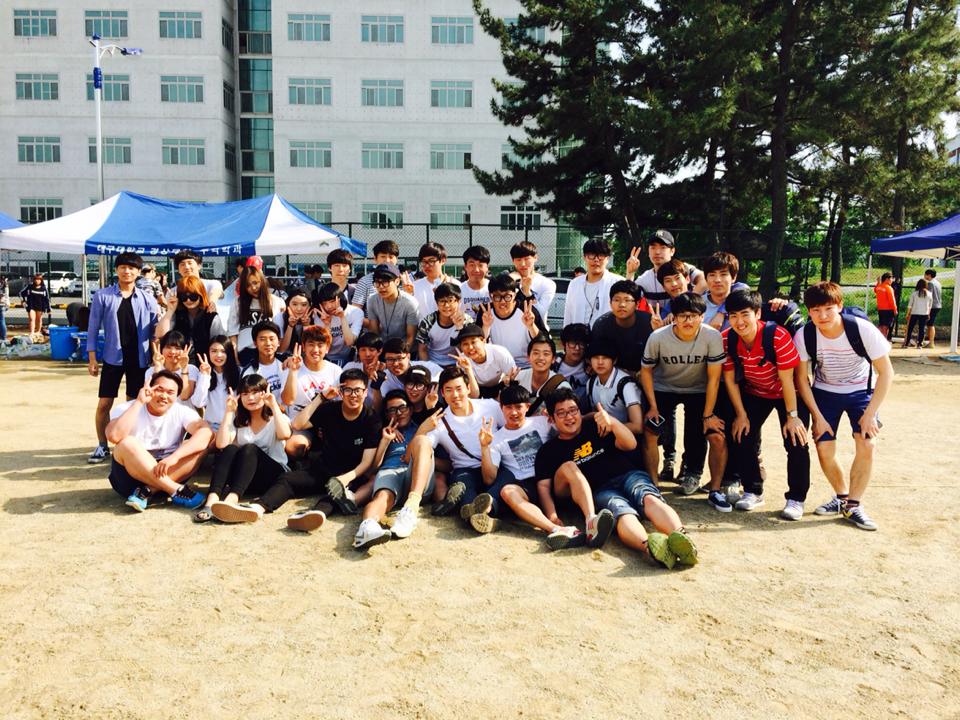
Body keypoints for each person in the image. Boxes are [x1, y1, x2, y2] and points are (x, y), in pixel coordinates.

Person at [539, 389, 697, 567]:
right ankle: (652, 549)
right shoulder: (548, 450)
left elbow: (630, 444)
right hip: (600, 490)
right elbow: (544, 487)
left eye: (573, 410)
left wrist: (612, 422)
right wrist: (552, 516)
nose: (569, 417)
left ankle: (683, 539)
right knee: (622, 512)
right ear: (551, 419)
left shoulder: (596, 426)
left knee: (648, 498)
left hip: (628, 474)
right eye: (561, 413)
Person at [794, 282, 894, 531]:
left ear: (839, 306)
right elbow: (801, 379)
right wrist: (817, 416)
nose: (823, 316)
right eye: (816, 310)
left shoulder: (862, 329)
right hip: (825, 392)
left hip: (861, 391)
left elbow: (886, 372)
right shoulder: (805, 335)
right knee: (823, 447)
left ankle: (854, 505)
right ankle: (842, 497)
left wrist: (870, 413)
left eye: (828, 309)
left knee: (867, 443)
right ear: (809, 311)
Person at [246, 369, 382, 530]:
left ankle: (316, 514)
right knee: (287, 479)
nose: (353, 395)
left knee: (337, 495)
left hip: (351, 475)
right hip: (323, 469)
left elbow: (367, 462)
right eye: (348, 390)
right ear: (341, 392)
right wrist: (321, 397)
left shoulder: (372, 419)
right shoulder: (329, 409)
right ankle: (259, 507)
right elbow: (297, 424)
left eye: (358, 390)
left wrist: (344, 479)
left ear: (365, 392)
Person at [721, 290, 810, 519]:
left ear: (758, 314)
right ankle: (753, 490)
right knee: (742, 434)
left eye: (745, 314)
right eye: (733, 316)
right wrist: (741, 414)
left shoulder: (777, 336)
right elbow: (730, 380)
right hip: (757, 392)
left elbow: (787, 380)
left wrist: (792, 416)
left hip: (788, 393)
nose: (739, 322)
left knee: (796, 440)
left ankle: (796, 498)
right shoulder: (728, 339)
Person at [640, 292, 730, 510]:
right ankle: (653, 483)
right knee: (651, 431)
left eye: (693, 316)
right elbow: (646, 371)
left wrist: (708, 414)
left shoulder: (712, 336)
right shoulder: (658, 337)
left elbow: (714, 378)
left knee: (704, 432)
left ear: (702, 317)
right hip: (664, 387)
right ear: (674, 317)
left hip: (698, 389)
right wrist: (652, 406)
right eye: (682, 316)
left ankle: (698, 478)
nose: (688, 321)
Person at [470, 384, 582, 546]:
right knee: (507, 491)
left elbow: (570, 429)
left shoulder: (543, 422)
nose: (514, 412)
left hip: (553, 480)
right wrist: (485, 447)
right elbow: (489, 479)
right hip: (527, 488)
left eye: (518, 407)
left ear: (527, 407)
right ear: (501, 408)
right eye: (508, 407)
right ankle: (555, 529)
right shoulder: (497, 439)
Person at [86, 253, 159, 465]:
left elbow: (154, 331)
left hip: (139, 359)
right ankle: (102, 445)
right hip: (112, 358)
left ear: (138, 272)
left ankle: (129, 445)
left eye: (131, 268)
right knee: (104, 404)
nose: (127, 271)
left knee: (133, 404)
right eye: (123, 267)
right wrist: (92, 358)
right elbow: (92, 328)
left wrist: (156, 354)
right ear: (116, 270)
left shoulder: (147, 298)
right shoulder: (103, 296)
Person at [105, 369, 212, 512]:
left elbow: (206, 433)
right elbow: (114, 436)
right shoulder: (127, 408)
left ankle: (147, 491)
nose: (164, 396)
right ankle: (176, 490)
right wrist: (139, 402)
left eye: (170, 392)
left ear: (177, 396)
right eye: (159, 390)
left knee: (201, 446)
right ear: (148, 388)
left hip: (169, 471)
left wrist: (175, 457)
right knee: (126, 443)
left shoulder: (182, 411)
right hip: (130, 478)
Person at [197, 374, 292, 524]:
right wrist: (229, 412)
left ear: (264, 392)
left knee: (250, 449)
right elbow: (221, 445)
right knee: (230, 449)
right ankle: (211, 500)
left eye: (255, 392)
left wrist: (273, 405)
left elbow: (285, 434)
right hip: (245, 480)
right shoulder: (238, 421)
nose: (250, 398)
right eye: (245, 394)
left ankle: (231, 501)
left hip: (272, 477)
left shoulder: (276, 417)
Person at [414, 366, 504, 516]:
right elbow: (423, 448)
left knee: (505, 482)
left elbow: (511, 427)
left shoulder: (490, 406)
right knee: (463, 489)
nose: (455, 395)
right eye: (449, 390)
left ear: (468, 388)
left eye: (459, 388)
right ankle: (476, 514)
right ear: (443, 393)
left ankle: (483, 511)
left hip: (495, 464)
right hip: (465, 470)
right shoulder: (439, 422)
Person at [353, 390, 437, 549]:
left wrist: (421, 432)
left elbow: (445, 463)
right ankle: (367, 528)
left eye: (402, 408)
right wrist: (385, 441)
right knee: (382, 496)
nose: (398, 413)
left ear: (410, 409)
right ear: (386, 414)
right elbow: (374, 467)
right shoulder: (382, 431)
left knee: (421, 440)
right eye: (392, 410)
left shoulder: (424, 426)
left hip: (417, 478)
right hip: (390, 470)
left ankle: (411, 509)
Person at [281, 324, 342, 457]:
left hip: (326, 423)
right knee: (294, 447)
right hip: (299, 423)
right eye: (311, 344)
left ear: (327, 348)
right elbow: (288, 400)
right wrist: (293, 372)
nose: (315, 350)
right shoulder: (292, 367)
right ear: (303, 347)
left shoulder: (336, 371)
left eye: (320, 345)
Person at [589, 280, 660, 372]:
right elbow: (597, 357)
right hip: (615, 373)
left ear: (637, 304)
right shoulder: (601, 325)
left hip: (648, 372)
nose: (622, 305)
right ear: (610, 303)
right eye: (617, 300)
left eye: (627, 300)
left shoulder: (650, 322)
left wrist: (659, 332)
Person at [481, 273, 549, 367]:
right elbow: (478, 344)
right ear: (490, 296)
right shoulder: (486, 312)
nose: (502, 302)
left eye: (507, 297)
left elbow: (545, 341)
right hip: (499, 366)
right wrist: (486, 326)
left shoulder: (527, 310)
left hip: (527, 366)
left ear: (514, 295)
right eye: (497, 297)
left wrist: (531, 326)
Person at [154, 276, 224, 360]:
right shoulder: (177, 314)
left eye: (193, 296)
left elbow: (220, 343)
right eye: (184, 297)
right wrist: (170, 310)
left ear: (201, 295)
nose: (188, 300)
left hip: (205, 362)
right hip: (179, 362)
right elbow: (160, 335)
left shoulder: (210, 315)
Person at [228, 265, 285, 365]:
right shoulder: (238, 302)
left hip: (269, 352)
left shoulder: (276, 301)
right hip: (246, 352)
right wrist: (235, 357)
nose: (253, 288)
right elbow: (233, 333)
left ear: (262, 281)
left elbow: (279, 334)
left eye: (255, 283)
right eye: (248, 285)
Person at [627, 229, 706, 301]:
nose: (657, 252)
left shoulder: (683, 268)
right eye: (653, 247)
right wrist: (630, 273)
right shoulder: (644, 279)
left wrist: (689, 302)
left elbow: (704, 280)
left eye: (663, 247)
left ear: (672, 251)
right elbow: (627, 296)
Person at [563, 239, 624, 328]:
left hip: (607, 335)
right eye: (591, 255)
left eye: (601, 255)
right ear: (584, 257)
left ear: (607, 258)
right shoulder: (574, 284)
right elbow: (568, 315)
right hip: (578, 336)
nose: (596, 260)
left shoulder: (618, 282)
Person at [189, 335, 240, 432]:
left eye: (223, 351)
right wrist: (205, 376)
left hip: (234, 426)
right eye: (214, 351)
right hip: (211, 426)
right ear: (208, 353)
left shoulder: (239, 373)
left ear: (229, 353)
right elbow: (198, 403)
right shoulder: (203, 374)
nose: (218, 355)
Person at [456, 323, 517, 398]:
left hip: (501, 386)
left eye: (473, 342)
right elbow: (473, 394)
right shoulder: (462, 361)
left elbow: (514, 377)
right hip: (478, 389)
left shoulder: (500, 352)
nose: (470, 347)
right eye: (465, 344)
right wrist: (468, 369)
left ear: (483, 341)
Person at [416, 282, 468, 365]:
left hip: (458, 362)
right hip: (433, 361)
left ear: (458, 302)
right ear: (437, 303)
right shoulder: (428, 322)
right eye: (442, 301)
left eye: (450, 301)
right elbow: (422, 349)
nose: (446, 305)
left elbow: (468, 349)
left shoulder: (467, 321)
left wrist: (459, 328)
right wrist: (430, 368)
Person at [366, 263, 419, 344]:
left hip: (403, 347)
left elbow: (410, 337)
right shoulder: (372, 300)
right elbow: (374, 332)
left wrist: (402, 352)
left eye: (385, 282)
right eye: (377, 283)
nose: (381, 287)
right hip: (382, 346)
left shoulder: (410, 302)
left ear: (397, 281)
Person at [145, 331, 200, 405]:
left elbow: (184, 396)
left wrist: (184, 368)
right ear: (161, 349)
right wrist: (158, 367)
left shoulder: (192, 369)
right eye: (168, 347)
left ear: (185, 350)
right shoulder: (151, 371)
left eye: (177, 348)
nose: (173, 351)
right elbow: (153, 395)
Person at [515, 335, 571, 407]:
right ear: (528, 357)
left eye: (546, 354)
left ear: (553, 359)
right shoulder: (518, 378)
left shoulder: (561, 386)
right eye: (536, 353)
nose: (541, 358)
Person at [240, 321, 288, 405]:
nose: (268, 343)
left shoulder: (287, 363)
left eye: (272, 339)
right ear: (255, 343)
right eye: (262, 339)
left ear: (279, 342)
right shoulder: (249, 372)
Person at [315, 282, 363, 364]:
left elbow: (349, 342)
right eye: (325, 303)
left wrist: (342, 317)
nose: (329, 306)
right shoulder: (320, 315)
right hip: (324, 358)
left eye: (332, 301)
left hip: (348, 357)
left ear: (340, 298)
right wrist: (327, 324)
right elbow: (324, 347)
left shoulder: (355, 312)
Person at [702, 252, 751, 330]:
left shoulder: (743, 300)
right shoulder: (698, 306)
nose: (717, 280)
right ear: (706, 279)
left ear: (733, 277)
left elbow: (744, 288)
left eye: (723, 274)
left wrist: (722, 312)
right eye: (712, 275)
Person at [412, 242, 461, 319]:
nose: (427, 265)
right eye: (424, 261)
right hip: (423, 326)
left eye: (431, 261)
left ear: (443, 260)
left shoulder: (456, 285)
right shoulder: (415, 286)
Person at [509, 240, 556, 318]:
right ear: (513, 261)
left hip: (534, 325)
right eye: (518, 260)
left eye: (527, 259)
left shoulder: (547, 283)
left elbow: (540, 313)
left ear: (535, 258)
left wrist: (527, 292)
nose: (523, 264)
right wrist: (508, 283)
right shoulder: (508, 280)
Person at [352, 240, 401, 313]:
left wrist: (410, 292)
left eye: (391, 257)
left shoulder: (405, 281)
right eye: (383, 256)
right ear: (375, 259)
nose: (387, 260)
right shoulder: (364, 281)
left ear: (397, 259)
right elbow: (355, 310)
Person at [554, 323, 590, 403]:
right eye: (573, 343)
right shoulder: (553, 366)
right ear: (563, 344)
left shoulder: (590, 367)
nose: (577, 348)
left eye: (581, 344)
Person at [278, 288, 317, 354]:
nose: (299, 309)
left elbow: (311, 349)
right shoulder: (281, 317)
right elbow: (281, 350)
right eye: (294, 304)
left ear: (310, 306)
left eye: (304, 305)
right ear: (288, 304)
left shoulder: (315, 317)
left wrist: (306, 326)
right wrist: (290, 326)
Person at [903, 278, 933, 349]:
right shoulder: (929, 294)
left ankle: (907, 343)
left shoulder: (914, 293)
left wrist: (908, 314)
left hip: (915, 313)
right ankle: (920, 344)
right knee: (921, 329)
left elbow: (910, 305)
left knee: (910, 328)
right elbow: (930, 306)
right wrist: (929, 314)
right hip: (924, 313)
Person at [460, 245, 492, 310]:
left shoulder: (494, 289)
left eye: (480, 265)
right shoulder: (459, 290)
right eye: (472, 265)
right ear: (465, 267)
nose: (476, 270)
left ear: (487, 267)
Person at [20, 273, 50, 340]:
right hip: (31, 306)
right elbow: (21, 293)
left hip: (40, 306)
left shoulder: (44, 288)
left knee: (39, 319)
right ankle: (32, 332)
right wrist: (23, 301)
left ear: (41, 280)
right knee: (31, 319)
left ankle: (38, 331)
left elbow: (47, 299)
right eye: (36, 279)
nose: (37, 281)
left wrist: (48, 308)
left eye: (39, 279)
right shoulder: (29, 287)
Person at [873, 272, 897, 340]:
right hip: (888, 310)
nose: (892, 280)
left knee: (882, 325)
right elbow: (892, 300)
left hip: (880, 309)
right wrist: (895, 309)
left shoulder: (879, 287)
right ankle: (884, 339)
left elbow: (875, 289)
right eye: (891, 278)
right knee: (886, 326)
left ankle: (880, 338)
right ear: (887, 279)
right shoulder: (888, 288)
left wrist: (878, 282)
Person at [924, 268, 942, 348]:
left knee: (930, 324)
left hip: (933, 306)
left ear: (929, 275)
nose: (924, 276)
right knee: (930, 324)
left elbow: (929, 295)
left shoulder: (930, 283)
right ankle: (930, 342)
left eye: (925, 274)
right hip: (937, 305)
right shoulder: (938, 283)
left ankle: (931, 343)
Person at [0, 274, 9, 343]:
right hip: (3, 304)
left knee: (2, 321)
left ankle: (3, 337)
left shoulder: (3, 285)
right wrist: (7, 304)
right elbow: (7, 295)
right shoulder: (5, 285)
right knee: (2, 321)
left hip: (1, 303)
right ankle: (3, 337)